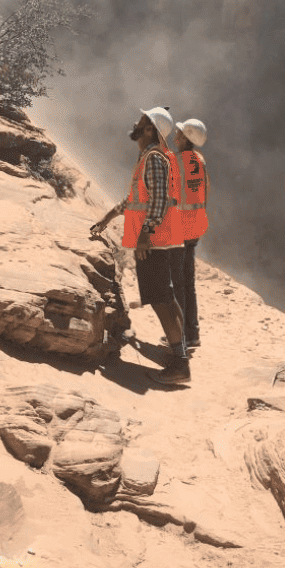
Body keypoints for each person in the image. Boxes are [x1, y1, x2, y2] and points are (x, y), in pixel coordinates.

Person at [90, 107, 190, 385]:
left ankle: (179, 365)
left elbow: (158, 199)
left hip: (153, 241)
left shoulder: (154, 158)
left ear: (149, 131)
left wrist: (146, 232)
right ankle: (179, 353)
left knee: (159, 300)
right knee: (165, 298)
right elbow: (136, 198)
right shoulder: (150, 157)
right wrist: (108, 216)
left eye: (142, 121)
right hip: (161, 238)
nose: (135, 122)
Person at [172, 119, 209, 350]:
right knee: (189, 283)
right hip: (195, 227)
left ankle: (180, 337)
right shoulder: (200, 161)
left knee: (178, 284)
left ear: (186, 138)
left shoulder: (176, 162)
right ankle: (192, 333)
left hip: (179, 229)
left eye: (178, 133)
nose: (175, 136)